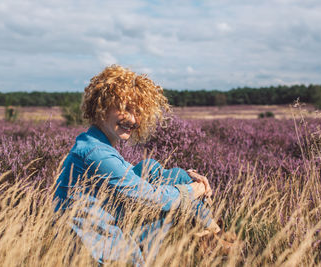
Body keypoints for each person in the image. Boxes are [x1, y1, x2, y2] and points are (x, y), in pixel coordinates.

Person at [53, 65, 225, 266]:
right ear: (102, 107)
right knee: (175, 190)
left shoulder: (93, 144)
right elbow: (151, 198)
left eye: (137, 111)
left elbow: (139, 181)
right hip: (97, 250)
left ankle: (211, 233)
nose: (133, 120)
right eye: (125, 109)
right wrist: (193, 190)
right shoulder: (97, 154)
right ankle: (212, 234)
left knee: (155, 169)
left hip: (106, 235)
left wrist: (187, 179)